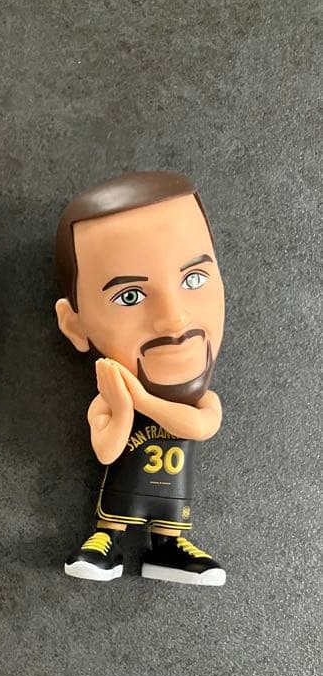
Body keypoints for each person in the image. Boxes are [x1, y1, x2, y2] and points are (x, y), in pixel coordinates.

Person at [55, 171, 226, 585]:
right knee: (116, 510)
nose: (174, 319)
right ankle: (106, 539)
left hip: (172, 503)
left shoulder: (201, 401)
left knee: (172, 518)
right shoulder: (110, 397)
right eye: (130, 296)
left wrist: (142, 400)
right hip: (121, 500)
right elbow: (107, 452)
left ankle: (168, 546)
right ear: (75, 325)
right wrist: (121, 403)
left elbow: (201, 428)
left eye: (194, 279)